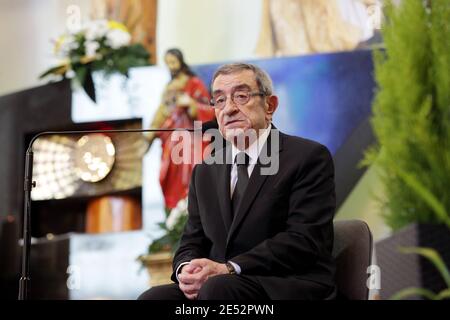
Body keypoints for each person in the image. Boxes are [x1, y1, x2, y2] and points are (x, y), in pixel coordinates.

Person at [139, 63, 336, 300]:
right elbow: (192, 240)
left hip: (283, 284)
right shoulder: (205, 170)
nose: (229, 109)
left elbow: (304, 239)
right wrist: (186, 270)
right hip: (221, 284)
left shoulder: (307, 157)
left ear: (270, 106)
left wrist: (229, 268)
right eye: (219, 100)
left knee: (219, 290)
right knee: (154, 298)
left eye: (241, 96)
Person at [145, 48, 215, 211]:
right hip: (170, 136)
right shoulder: (168, 86)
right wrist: (152, 132)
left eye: (173, 62)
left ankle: (193, 207)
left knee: (191, 174)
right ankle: (176, 211)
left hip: (190, 138)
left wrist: (191, 104)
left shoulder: (193, 82)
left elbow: (209, 109)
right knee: (169, 173)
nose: (171, 66)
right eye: (167, 63)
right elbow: (162, 111)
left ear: (181, 61)